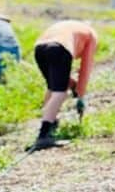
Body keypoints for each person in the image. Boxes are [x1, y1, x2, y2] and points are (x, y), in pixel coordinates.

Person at [31, 19, 97, 149]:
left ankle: (52, 121)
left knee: (52, 87)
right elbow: (85, 68)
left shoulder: (71, 27)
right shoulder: (91, 34)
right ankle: (43, 136)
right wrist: (81, 96)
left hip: (39, 48)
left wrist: (74, 86)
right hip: (60, 48)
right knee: (60, 93)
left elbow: (63, 78)